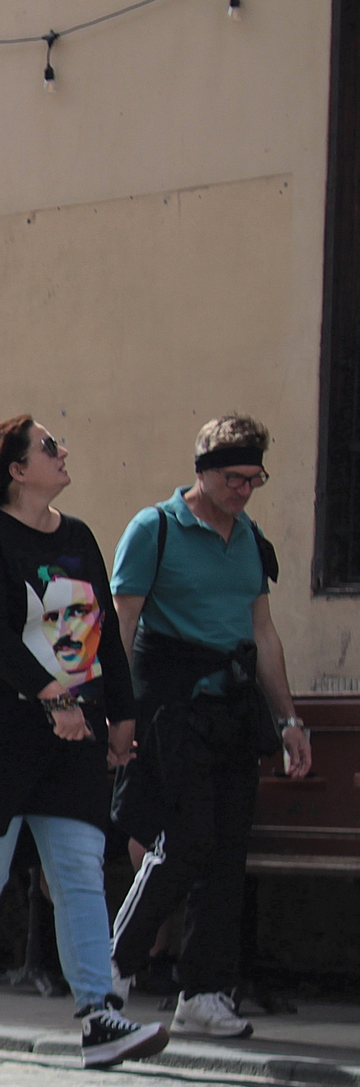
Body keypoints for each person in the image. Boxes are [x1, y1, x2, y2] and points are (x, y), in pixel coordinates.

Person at [0, 415, 166, 1069]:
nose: (63, 452)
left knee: (79, 871)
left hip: (71, 734)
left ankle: (99, 1015)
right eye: (48, 446)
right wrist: (54, 697)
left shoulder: (81, 535)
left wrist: (121, 713)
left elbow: (102, 633)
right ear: (15, 469)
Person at [107, 415, 314, 1037]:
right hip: (172, 702)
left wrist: (289, 719)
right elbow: (122, 627)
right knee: (186, 839)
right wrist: (117, 713)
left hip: (234, 705)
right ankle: (111, 969)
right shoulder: (156, 529)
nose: (244, 490)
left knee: (227, 850)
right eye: (233, 478)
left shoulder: (249, 538)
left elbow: (263, 632)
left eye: (255, 479)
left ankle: (204, 990)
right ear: (202, 470)